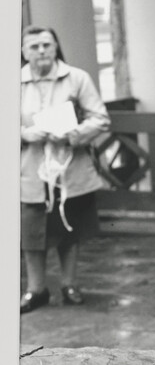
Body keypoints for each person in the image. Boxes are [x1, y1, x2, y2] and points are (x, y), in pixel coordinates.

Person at [20, 25, 111, 313]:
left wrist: (71, 134)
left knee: (69, 227)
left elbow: (100, 118)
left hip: (69, 167)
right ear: (23, 52)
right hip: (31, 170)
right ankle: (35, 289)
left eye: (47, 44)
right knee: (31, 231)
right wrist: (23, 133)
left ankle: (70, 284)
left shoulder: (76, 78)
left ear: (56, 47)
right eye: (34, 46)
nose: (41, 51)